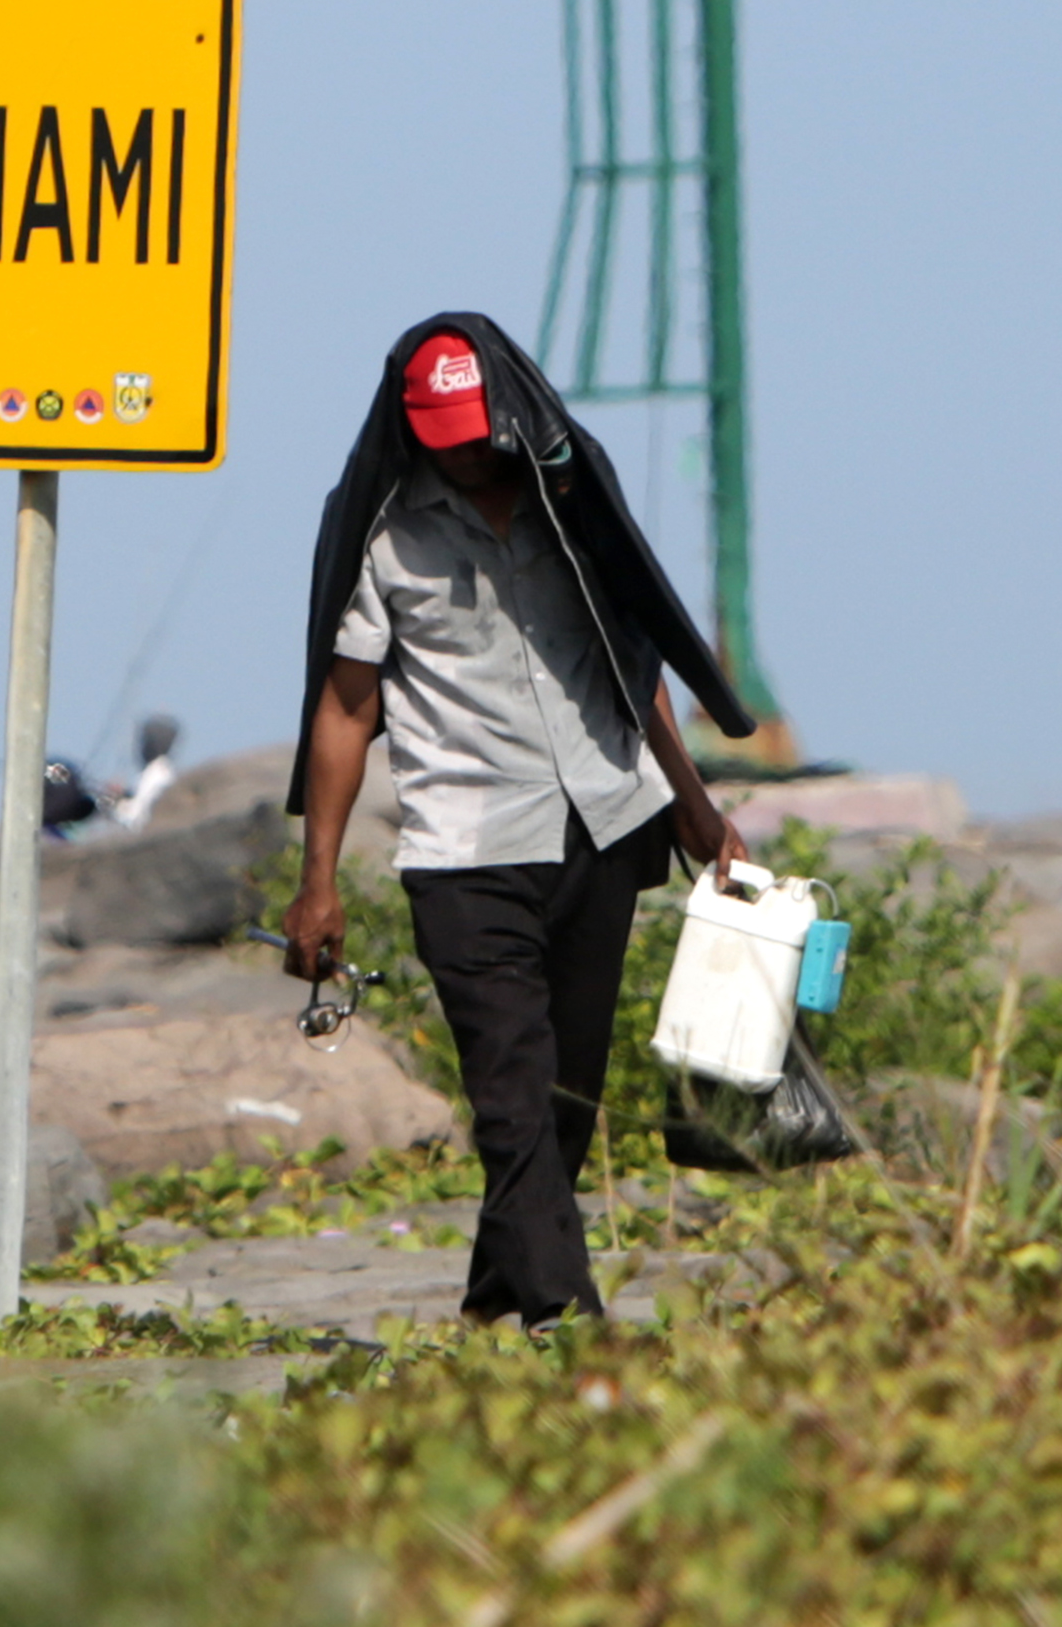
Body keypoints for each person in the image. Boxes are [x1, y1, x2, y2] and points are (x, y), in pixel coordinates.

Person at [281, 313, 758, 1328]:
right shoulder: (384, 532)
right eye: (437, 432)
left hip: (604, 823)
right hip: (464, 851)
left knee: (563, 1104)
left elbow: (639, 669)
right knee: (509, 1099)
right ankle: (568, 1321)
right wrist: (316, 878)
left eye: (472, 429)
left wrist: (693, 807)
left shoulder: (571, 503)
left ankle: (495, 1306)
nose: (459, 451)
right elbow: (346, 707)